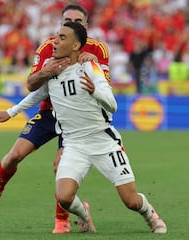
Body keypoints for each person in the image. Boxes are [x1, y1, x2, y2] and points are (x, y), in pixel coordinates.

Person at [0, 4, 110, 234]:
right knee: (13, 156)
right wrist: (48, 71)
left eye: (77, 21)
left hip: (76, 118)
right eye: (67, 20)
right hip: (49, 112)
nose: (72, 24)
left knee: (61, 168)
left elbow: (105, 89)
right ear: (61, 23)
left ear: (86, 26)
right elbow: (32, 84)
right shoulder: (49, 47)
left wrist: (91, 65)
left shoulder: (97, 50)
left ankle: (62, 220)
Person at [29, 21, 167, 234]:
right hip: (75, 145)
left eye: (62, 37)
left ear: (76, 46)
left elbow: (112, 104)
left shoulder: (91, 67)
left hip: (102, 140)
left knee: (130, 201)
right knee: (63, 197)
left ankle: (149, 213)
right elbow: (34, 93)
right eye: (57, 36)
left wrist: (95, 91)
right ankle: (84, 214)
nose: (55, 41)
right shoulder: (53, 70)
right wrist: (10, 112)